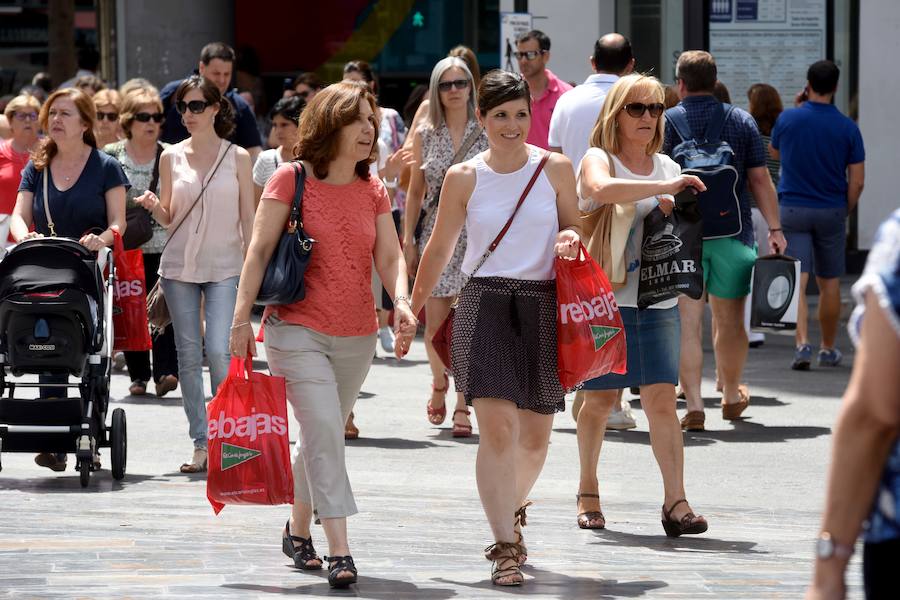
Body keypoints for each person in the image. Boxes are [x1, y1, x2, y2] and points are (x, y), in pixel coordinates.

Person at [229, 80, 417, 589]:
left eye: (371, 119)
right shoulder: (289, 180)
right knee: (327, 433)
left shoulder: (372, 188)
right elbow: (257, 252)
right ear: (330, 124)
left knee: (320, 435)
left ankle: (296, 532)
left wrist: (400, 301)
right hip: (295, 329)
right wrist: (240, 320)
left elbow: (390, 256)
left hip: (357, 335)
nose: (369, 129)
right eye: (358, 119)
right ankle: (340, 548)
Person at [410, 69, 581, 586]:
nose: (512, 125)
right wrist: (410, 309)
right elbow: (440, 248)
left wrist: (571, 238)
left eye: (521, 114)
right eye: (501, 115)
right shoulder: (464, 176)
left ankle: (512, 508)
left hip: (542, 306)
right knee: (500, 431)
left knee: (535, 441)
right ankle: (504, 545)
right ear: (481, 118)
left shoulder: (555, 168)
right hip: (484, 303)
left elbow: (575, 224)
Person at [575, 73, 709, 537]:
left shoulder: (667, 165)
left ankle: (676, 501)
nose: (648, 117)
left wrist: (676, 198)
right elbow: (601, 189)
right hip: (606, 302)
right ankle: (588, 489)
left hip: (658, 299)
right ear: (616, 114)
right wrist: (662, 191)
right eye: (636, 108)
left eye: (655, 108)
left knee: (661, 401)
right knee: (599, 400)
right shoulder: (599, 158)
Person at [134, 75, 254, 473]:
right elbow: (170, 217)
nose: (188, 113)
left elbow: (249, 219)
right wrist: (154, 206)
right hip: (179, 267)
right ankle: (201, 443)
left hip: (225, 266)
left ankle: (226, 437)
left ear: (216, 108)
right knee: (187, 356)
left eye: (197, 106)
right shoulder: (170, 157)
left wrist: (254, 272)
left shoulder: (238, 157)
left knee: (219, 350)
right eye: (183, 107)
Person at [664, 51, 786, 431]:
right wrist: (775, 229)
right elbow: (759, 179)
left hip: (684, 237)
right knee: (730, 321)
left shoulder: (666, 121)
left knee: (687, 324)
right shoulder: (741, 120)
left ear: (680, 83)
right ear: (715, 81)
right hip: (733, 235)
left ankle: (694, 405)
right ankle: (731, 395)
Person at [11, 87, 128, 472]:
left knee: (84, 342)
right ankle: (52, 435)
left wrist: (102, 239)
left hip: (86, 270)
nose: (55, 120)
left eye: (65, 113)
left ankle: (83, 429)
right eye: (52, 113)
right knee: (42, 328)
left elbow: (119, 223)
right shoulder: (38, 166)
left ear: (85, 123)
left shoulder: (106, 167)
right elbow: (18, 215)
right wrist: (24, 235)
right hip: (43, 270)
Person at [805, 209, 900, 600]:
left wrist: (829, 566)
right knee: (825, 279)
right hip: (827, 214)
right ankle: (822, 345)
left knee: (807, 278)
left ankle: (808, 342)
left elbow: (875, 413)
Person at [548, 32, 638, 430]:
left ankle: (584, 383)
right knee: (614, 304)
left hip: (574, 216)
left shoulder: (567, 100)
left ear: (592, 62)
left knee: (580, 304)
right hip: (622, 214)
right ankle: (608, 398)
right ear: (631, 64)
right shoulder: (633, 100)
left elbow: (554, 159)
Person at [404, 57, 488, 437]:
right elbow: (415, 191)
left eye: (461, 83)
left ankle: (462, 402)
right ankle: (439, 382)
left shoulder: (485, 130)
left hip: (477, 234)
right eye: (446, 84)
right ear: (436, 90)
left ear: (471, 87)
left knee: (469, 326)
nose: (454, 90)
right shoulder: (426, 133)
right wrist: (408, 239)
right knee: (435, 325)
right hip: (437, 233)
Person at [770, 60, 865, 370]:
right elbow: (858, 180)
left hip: (793, 208)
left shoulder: (788, 119)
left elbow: (775, 152)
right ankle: (827, 347)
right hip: (831, 208)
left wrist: (798, 108)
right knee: (829, 281)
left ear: (807, 84)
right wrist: (846, 207)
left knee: (798, 278)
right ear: (835, 88)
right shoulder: (848, 127)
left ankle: (802, 345)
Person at [102, 87, 179, 398]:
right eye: (144, 116)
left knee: (164, 305)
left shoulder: (171, 153)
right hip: (127, 245)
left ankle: (165, 371)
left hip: (165, 244)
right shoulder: (111, 154)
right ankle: (138, 375)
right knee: (131, 307)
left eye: (157, 117)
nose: (151, 123)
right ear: (128, 120)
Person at [159, 42, 263, 161]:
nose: (222, 80)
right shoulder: (173, 93)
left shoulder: (240, 106)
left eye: (227, 74)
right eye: (182, 106)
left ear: (216, 108)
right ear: (202, 68)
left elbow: (254, 150)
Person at [744, 82, 784, 347]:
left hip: (749, 208)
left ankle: (751, 330)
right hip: (772, 210)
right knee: (764, 270)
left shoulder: (751, 137)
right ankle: (762, 324)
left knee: (747, 271)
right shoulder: (779, 140)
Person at [514, 30, 573, 149]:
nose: (523, 61)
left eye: (530, 54)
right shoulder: (510, 93)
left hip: (553, 161)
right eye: (519, 55)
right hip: (516, 161)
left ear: (545, 56)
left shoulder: (567, 95)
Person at [0, 94, 42, 244]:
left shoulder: (52, 152)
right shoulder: (1, 152)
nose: (28, 120)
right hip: (4, 237)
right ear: (10, 120)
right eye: (21, 115)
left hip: (41, 235)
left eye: (33, 115)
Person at [252, 95, 305, 202]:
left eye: (284, 125)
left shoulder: (315, 161)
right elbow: (255, 205)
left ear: (302, 125)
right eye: (275, 125)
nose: (278, 131)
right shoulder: (265, 159)